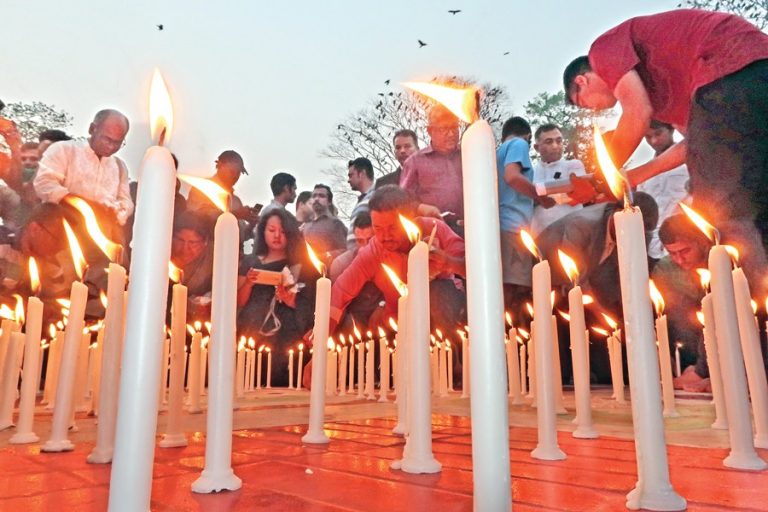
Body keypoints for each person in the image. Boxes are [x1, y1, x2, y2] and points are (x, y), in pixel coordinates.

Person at [563, 9, 768, 297]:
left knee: (725, 208)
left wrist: (598, 180)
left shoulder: (602, 50)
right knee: (759, 204)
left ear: (582, 81)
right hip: (755, 70)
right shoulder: (669, 96)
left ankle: (753, 312)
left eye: (583, 103)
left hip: (725, 62)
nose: (592, 110)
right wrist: (630, 177)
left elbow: (637, 114)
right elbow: (694, 145)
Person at [237, 208, 316, 387]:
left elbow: (311, 302)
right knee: (252, 379)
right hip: (253, 330)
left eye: (283, 231)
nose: (277, 236)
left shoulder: (300, 265)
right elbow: (239, 301)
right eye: (272, 230)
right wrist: (249, 283)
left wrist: (292, 300)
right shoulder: (250, 262)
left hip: (287, 335)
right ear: (263, 231)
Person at [34, 109, 133, 239]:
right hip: (61, 234)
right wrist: (80, 204)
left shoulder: (120, 166)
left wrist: (116, 212)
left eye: (118, 142)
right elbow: (44, 183)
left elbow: (126, 201)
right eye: (107, 139)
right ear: (92, 129)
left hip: (101, 238)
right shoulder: (64, 150)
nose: (111, 147)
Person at [497, 117, 555, 318]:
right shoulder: (518, 144)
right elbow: (512, 177)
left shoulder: (495, 154)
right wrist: (541, 198)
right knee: (515, 294)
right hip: (513, 227)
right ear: (528, 137)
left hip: (501, 227)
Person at [653, 214, 712, 392]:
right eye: (672, 253)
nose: (679, 260)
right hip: (687, 350)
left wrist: (702, 370)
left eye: (685, 251)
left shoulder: (719, 261)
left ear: (702, 242)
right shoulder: (665, 269)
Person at [400, 105, 463, 234]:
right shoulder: (414, 162)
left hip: (472, 231)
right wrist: (420, 208)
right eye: (444, 129)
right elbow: (400, 201)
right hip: (433, 234)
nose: (451, 134)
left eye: (455, 128)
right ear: (430, 131)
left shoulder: (470, 154)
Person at [637, 121, 690, 260]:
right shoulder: (643, 174)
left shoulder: (691, 163)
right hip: (652, 250)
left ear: (671, 130)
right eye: (647, 137)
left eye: (658, 133)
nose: (654, 140)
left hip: (686, 247)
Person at [530, 123, 587, 235]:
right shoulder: (531, 173)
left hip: (571, 233)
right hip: (539, 237)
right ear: (537, 147)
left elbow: (580, 194)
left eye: (559, 141)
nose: (555, 146)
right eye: (549, 142)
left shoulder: (573, 165)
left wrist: (541, 196)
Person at [329, 211, 382, 331]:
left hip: (386, 318)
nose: (364, 248)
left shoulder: (388, 256)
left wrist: (383, 306)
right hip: (354, 324)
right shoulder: (342, 264)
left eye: (369, 240)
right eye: (359, 241)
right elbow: (337, 304)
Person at [170, 211, 214, 323]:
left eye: (192, 243)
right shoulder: (162, 254)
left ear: (205, 242)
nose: (185, 248)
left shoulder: (213, 259)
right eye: (180, 240)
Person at [301, 184, 347, 266]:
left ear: (329, 202)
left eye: (321, 196)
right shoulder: (305, 226)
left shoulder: (335, 224)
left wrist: (324, 256)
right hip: (303, 275)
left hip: (325, 275)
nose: (316, 199)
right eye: (314, 196)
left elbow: (344, 251)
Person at [345, 157, 375, 249]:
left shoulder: (376, 196)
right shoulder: (361, 201)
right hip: (356, 255)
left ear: (361, 174)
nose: (348, 180)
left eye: (351, 175)